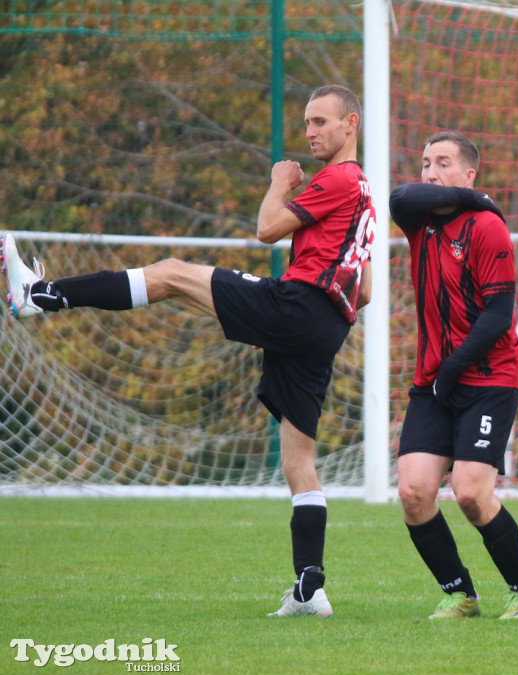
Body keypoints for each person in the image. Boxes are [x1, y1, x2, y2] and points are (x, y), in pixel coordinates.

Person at [2, 84, 375, 618]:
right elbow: (365, 291)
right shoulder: (364, 193)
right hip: (327, 325)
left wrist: (277, 183)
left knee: (173, 275)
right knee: (300, 460)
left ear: (350, 125)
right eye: (308, 122)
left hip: (299, 306)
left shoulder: (338, 177)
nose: (311, 132)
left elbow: (267, 228)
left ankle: (38, 296)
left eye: (321, 122)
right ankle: (310, 587)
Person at [389, 131, 518, 620]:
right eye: (425, 163)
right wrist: (471, 195)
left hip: (487, 379)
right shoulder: (420, 223)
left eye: (443, 163)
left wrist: (453, 368)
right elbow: (400, 196)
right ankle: (460, 593)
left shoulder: (486, 227)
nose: (430, 173)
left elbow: (499, 315)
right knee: (414, 491)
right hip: (434, 382)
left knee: (470, 493)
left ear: (469, 172)